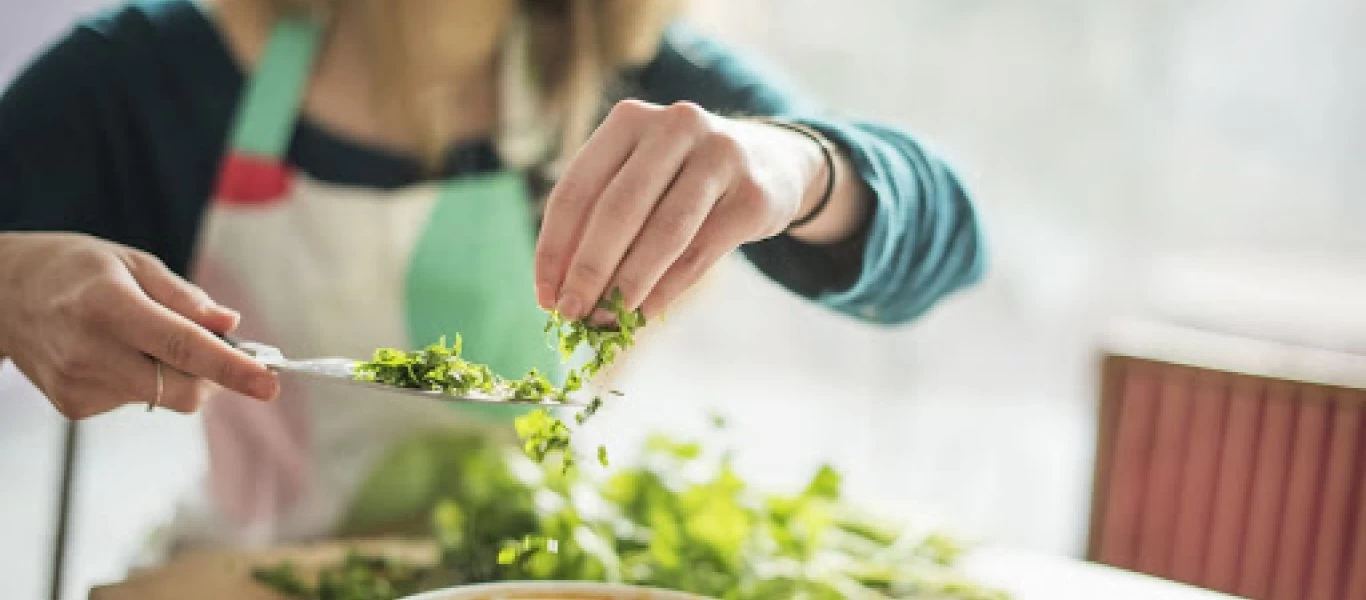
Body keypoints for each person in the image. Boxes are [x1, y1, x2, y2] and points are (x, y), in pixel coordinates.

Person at [0, 0, 985, 547]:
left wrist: (801, 168)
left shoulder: (642, 75)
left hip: (532, 568)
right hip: (248, 575)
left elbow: (953, 241)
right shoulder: (151, 74)